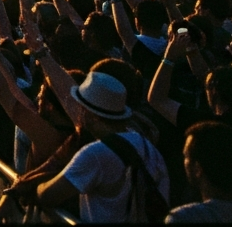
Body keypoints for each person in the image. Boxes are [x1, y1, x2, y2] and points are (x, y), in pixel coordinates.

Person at [35, 71, 170, 222]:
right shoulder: (146, 145)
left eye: (80, 108)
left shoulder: (95, 153)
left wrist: (38, 184)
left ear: (88, 114)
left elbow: (48, 196)